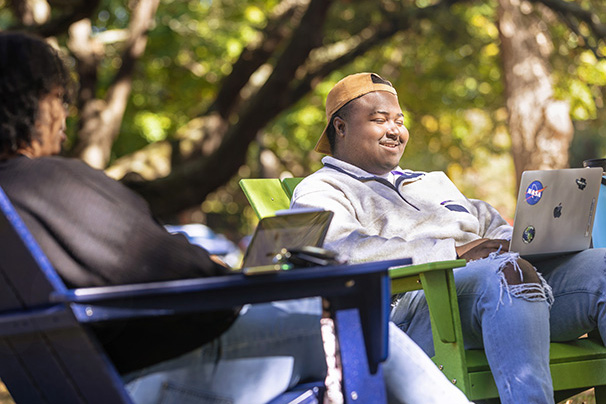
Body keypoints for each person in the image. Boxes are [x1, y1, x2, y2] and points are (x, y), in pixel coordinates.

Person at [0, 32, 472, 404]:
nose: (65, 114)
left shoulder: (14, 197)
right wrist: (237, 275)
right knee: (353, 322)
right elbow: (174, 269)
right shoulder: (53, 183)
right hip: (169, 378)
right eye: (61, 98)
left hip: (78, 382)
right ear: (35, 102)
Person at [291, 72, 606, 404]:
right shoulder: (321, 189)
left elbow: (491, 226)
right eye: (379, 119)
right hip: (416, 310)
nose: (395, 130)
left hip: (502, 295)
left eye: (399, 120)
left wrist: (532, 243)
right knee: (507, 272)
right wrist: (453, 252)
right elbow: (341, 253)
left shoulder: (431, 182)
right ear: (340, 127)